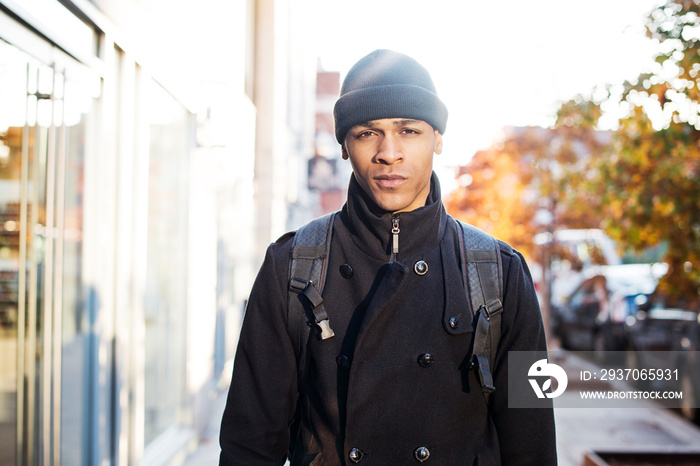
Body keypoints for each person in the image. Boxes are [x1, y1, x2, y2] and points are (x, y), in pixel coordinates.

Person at [219, 49, 557, 465]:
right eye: (366, 133)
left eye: (409, 131)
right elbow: (250, 444)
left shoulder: (501, 272)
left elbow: (533, 441)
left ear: (438, 138)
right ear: (344, 145)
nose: (388, 152)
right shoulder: (290, 266)